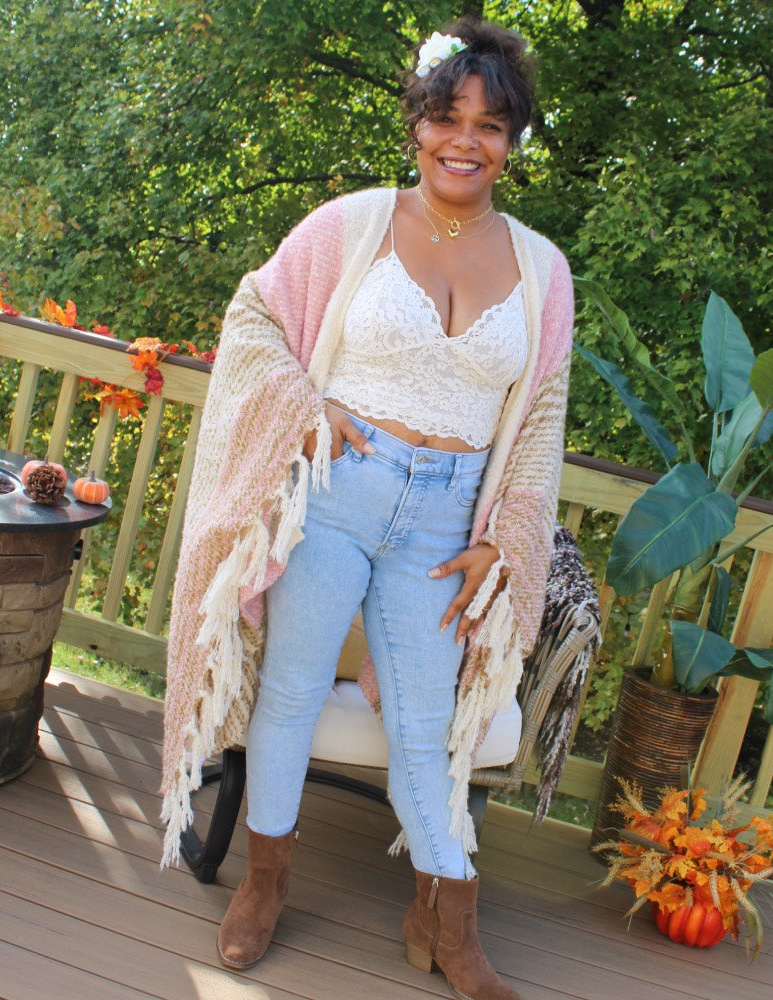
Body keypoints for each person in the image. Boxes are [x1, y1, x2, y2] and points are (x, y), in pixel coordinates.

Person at [160, 19, 573, 1000]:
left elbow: (543, 416)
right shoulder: (348, 225)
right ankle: (264, 883)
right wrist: (309, 407)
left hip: (443, 522)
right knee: (292, 695)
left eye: (490, 123)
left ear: (512, 140)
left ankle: (451, 925)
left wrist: (504, 546)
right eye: (445, 116)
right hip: (335, 493)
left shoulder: (542, 269)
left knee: (430, 729)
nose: (464, 140)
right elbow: (253, 316)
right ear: (416, 123)